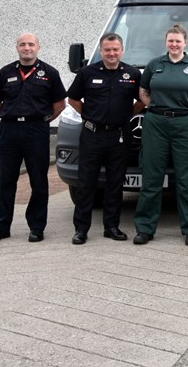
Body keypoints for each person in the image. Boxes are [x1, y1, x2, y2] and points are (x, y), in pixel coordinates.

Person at [0, 32, 66, 243]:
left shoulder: (50, 73)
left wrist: (41, 120)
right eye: (22, 44)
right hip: (9, 131)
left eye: (31, 44)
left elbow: (60, 105)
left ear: (38, 47)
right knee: (6, 180)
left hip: (36, 131)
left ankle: (37, 227)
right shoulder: (5, 72)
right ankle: (1, 227)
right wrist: (11, 114)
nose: (26, 48)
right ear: (17, 48)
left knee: (38, 181)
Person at [134, 24, 188, 246]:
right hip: (156, 124)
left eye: (178, 41)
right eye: (171, 41)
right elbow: (143, 92)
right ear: (166, 42)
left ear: (185, 43)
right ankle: (145, 229)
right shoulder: (154, 64)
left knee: (187, 180)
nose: (174, 44)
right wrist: (158, 108)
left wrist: (186, 112)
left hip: (186, 125)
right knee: (151, 178)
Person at [65, 32, 141, 244]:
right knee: (86, 183)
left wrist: (128, 115)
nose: (111, 53)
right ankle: (81, 229)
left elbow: (143, 100)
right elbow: (72, 98)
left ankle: (111, 227)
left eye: (115, 49)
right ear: (101, 50)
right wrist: (89, 115)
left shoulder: (132, 73)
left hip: (119, 135)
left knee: (115, 183)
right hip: (92, 134)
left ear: (122, 50)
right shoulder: (87, 73)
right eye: (107, 49)